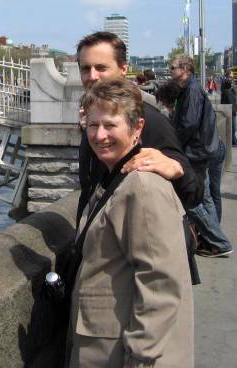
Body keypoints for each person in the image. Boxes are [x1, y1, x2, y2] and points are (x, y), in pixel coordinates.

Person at [68, 78, 193, 367]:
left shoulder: (142, 187)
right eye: (92, 126)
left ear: (137, 129)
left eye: (110, 125)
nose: (99, 136)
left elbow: (160, 281)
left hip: (121, 353)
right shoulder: (116, 175)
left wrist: (140, 357)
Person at [76, 32, 203, 225]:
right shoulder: (92, 117)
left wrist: (177, 170)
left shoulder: (148, 119)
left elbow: (194, 191)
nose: (92, 76)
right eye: (86, 68)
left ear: (123, 69)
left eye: (101, 68)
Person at [170, 54, 232, 257]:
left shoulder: (192, 91)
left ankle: (219, 241)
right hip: (203, 149)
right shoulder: (190, 89)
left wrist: (172, 142)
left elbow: (188, 124)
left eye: (173, 68)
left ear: (185, 70)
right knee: (204, 197)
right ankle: (214, 239)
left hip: (197, 152)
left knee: (192, 198)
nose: (170, 71)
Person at [220, 78, 237, 146]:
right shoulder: (230, 92)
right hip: (232, 112)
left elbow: (223, 103)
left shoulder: (226, 92)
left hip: (230, 112)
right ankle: (233, 140)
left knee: (232, 127)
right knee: (232, 127)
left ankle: (233, 140)